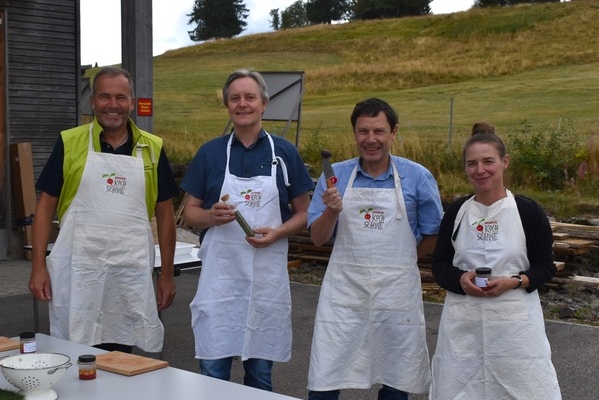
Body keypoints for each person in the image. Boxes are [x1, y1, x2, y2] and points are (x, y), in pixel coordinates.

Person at [180, 68, 314, 392]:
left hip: (265, 285)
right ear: (228, 105)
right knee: (213, 377)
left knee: (259, 381)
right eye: (235, 98)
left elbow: (305, 213)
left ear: (263, 104)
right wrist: (211, 216)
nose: (243, 104)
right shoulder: (210, 153)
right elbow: (188, 213)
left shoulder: (284, 154)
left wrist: (278, 233)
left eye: (250, 97)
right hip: (220, 286)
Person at [29, 66, 178, 354]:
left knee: (121, 357)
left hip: (128, 274)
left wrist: (166, 275)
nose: (113, 105)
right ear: (93, 101)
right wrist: (38, 267)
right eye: (105, 97)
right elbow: (45, 208)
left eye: (120, 98)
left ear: (132, 102)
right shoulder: (70, 143)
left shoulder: (152, 148)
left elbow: (165, 215)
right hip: (78, 273)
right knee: (74, 355)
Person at [307, 98, 443, 400]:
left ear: (393, 132)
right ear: (354, 133)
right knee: (326, 373)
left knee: (397, 376)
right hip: (344, 293)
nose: (371, 140)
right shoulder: (335, 177)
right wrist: (331, 211)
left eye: (379, 131)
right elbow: (317, 238)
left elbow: (434, 233)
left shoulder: (417, 177)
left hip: (396, 293)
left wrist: (401, 260)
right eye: (363, 131)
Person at [430, 123, 561, 399]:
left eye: (488, 161)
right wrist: (459, 279)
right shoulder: (456, 212)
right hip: (463, 329)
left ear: (504, 162)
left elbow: (545, 265)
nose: (480, 170)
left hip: (516, 333)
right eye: (472, 163)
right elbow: (440, 264)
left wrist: (515, 281)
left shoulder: (527, 211)